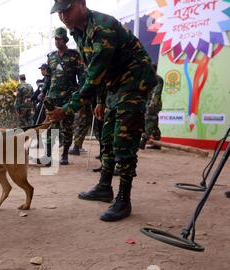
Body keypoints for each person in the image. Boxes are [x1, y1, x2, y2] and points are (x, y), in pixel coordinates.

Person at [49, 0, 157, 222]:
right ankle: (104, 187)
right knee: (106, 135)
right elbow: (94, 70)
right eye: (59, 12)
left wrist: (67, 109)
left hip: (135, 79)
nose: (63, 16)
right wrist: (100, 100)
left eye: (67, 9)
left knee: (124, 139)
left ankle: (123, 199)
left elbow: (94, 75)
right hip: (113, 83)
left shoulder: (102, 27)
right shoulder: (79, 32)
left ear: (81, 3)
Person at [43, 27, 83, 165]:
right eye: (55, 38)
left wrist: (83, 93)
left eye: (59, 39)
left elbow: (81, 76)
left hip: (68, 97)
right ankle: (48, 155)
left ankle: (65, 154)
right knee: (51, 127)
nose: (57, 41)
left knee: (67, 127)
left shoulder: (74, 55)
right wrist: (43, 91)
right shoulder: (51, 57)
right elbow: (48, 77)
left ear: (65, 40)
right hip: (53, 97)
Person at [140, 64, 164, 150]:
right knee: (153, 123)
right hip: (148, 103)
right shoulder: (148, 79)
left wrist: (152, 105)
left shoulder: (158, 79)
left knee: (149, 120)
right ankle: (157, 143)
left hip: (154, 104)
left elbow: (156, 93)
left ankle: (143, 140)